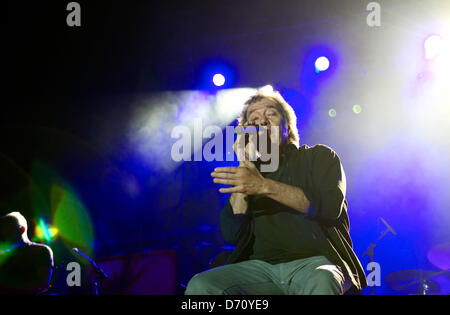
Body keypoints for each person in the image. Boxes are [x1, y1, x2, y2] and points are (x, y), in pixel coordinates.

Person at [185, 87, 367, 295]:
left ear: (287, 127)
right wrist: (244, 162)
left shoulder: (319, 157)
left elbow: (329, 207)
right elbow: (233, 233)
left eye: (270, 114)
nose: (261, 121)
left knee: (321, 279)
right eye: (253, 119)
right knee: (201, 284)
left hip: (316, 263)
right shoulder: (249, 173)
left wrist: (263, 186)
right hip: (260, 269)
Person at [0, 212, 54, 294]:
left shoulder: (41, 251)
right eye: (3, 230)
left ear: (22, 229)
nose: (4, 234)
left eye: (9, 229)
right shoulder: (4, 254)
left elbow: (42, 283)